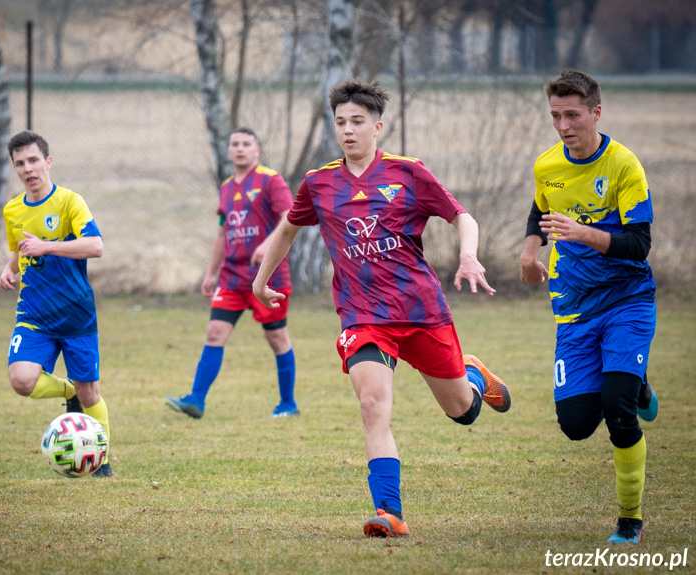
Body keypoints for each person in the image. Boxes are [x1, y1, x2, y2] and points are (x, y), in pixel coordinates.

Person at [252, 79, 511, 538]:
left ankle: (472, 376)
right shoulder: (319, 182)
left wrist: (468, 254)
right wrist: (261, 278)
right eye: (340, 123)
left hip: (421, 311)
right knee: (372, 404)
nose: (347, 131)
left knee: (462, 412)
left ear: (378, 126)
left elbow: (460, 215)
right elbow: (288, 229)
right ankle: (389, 512)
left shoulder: (408, 173)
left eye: (357, 122)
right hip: (363, 316)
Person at [520, 69, 658, 544]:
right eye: (556, 116)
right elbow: (540, 210)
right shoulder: (547, 166)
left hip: (626, 300)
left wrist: (585, 234)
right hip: (574, 307)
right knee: (576, 426)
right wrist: (528, 252)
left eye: (572, 115)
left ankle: (629, 520)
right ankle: (636, 384)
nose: (563, 126)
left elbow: (639, 244)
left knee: (616, 407)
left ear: (596, 111)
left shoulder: (624, 166)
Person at [0, 130, 113, 477]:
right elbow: (21, 250)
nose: (28, 168)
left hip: (76, 313)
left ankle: (101, 460)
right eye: (20, 163)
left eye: (33, 160)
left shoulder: (69, 202)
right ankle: (68, 391)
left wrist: (47, 246)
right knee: (21, 381)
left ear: (47, 162)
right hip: (34, 314)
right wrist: (10, 267)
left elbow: (95, 246)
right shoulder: (13, 210)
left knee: (90, 393)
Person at [166, 128, 299, 419]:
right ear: (229, 150)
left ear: (257, 150)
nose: (240, 149)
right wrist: (210, 273)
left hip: (268, 277)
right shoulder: (226, 187)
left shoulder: (270, 180)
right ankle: (196, 400)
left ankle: (288, 404)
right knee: (215, 333)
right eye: (235, 144)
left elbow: (289, 217)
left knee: (276, 338)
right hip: (232, 276)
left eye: (246, 144)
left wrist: (267, 245)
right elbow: (222, 233)